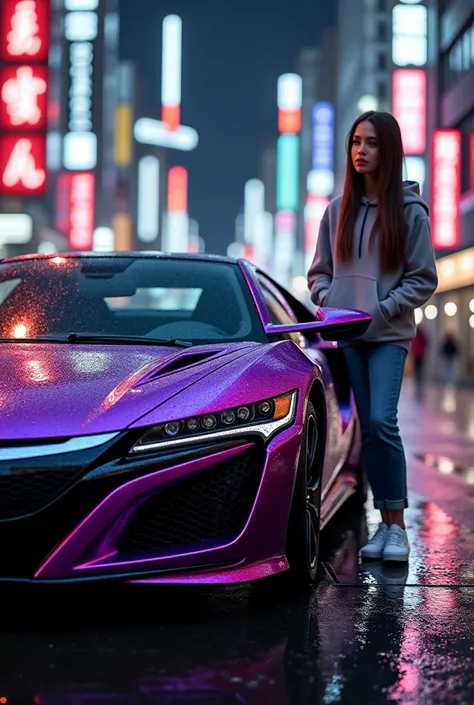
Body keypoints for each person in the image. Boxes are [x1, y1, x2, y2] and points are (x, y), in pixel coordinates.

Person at [307, 111, 438, 564]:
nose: (361, 151)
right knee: (367, 426)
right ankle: (383, 526)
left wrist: (380, 311)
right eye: (356, 142)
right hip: (348, 336)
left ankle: (396, 528)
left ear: (390, 151)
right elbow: (319, 273)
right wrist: (330, 299)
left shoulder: (409, 212)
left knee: (383, 423)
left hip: (387, 335)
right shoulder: (335, 209)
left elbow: (423, 279)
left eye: (372, 143)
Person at [411, 326, 429, 400]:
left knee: (418, 371)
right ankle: (419, 385)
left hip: (417, 356)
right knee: (420, 371)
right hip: (420, 356)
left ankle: (418, 385)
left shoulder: (416, 337)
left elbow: (412, 346)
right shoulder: (421, 337)